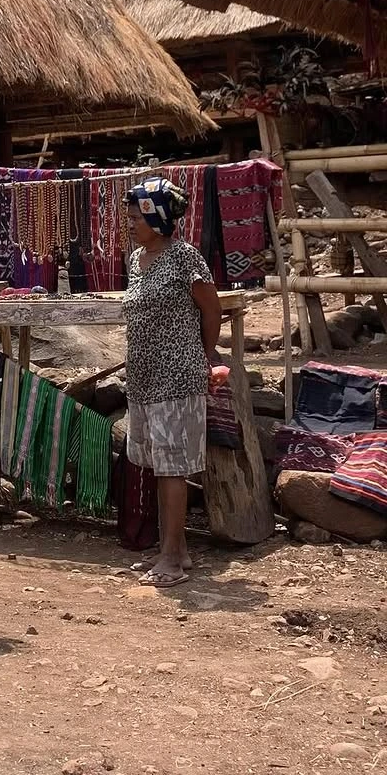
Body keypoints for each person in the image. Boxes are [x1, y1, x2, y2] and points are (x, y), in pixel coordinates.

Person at [123, 178, 226, 589]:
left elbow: (211, 310)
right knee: (158, 464)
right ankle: (175, 549)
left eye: (136, 217)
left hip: (177, 375)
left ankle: (171, 559)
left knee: (172, 469)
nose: (129, 224)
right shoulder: (136, 259)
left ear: (157, 219)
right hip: (144, 376)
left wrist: (202, 356)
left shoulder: (186, 259)